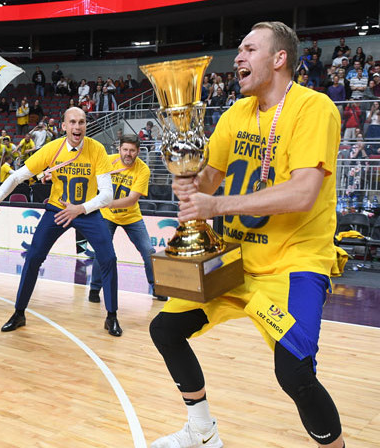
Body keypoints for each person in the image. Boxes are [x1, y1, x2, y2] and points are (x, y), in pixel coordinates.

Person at [149, 22, 344, 448]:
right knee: (165, 329)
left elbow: (304, 192)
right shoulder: (236, 113)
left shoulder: (314, 108)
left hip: (293, 265)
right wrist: (186, 180)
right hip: (236, 263)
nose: (237, 57)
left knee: (294, 373)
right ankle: (202, 431)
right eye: (238, 49)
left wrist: (215, 205)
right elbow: (210, 179)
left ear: (279, 59)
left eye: (249, 49)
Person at [0, 107, 119, 336]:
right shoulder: (52, 149)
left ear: (85, 126)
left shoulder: (97, 149)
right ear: (63, 126)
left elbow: (106, 195)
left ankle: (111, 316)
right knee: (33, 256)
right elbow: (17, 176)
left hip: (86, 211)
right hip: (57, 209)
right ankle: (19, 312)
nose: (77, 127)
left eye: (82, 122)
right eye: (72, 122)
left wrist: (80, 209)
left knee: (109, 258)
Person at [88, 135, 166, 307]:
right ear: (119, 149)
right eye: (125, 149)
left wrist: (104, 202)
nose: (128, 154)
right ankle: (94, 288)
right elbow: (86, 167)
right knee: (101, 252)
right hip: (108, 216)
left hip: (131, 216)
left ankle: (156, 288)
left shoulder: (143, 169)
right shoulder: (108, 161)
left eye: (132, 150)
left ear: (138, 151)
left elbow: (131, 200)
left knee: (148, 251)